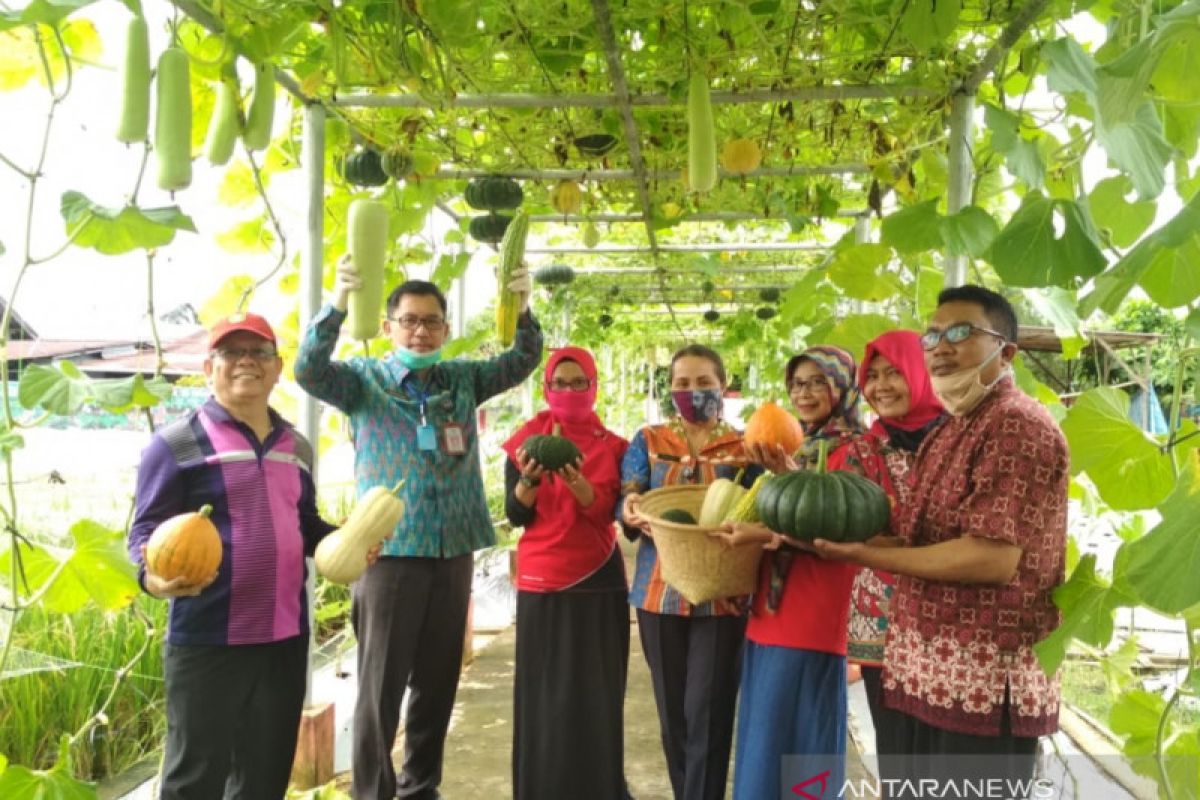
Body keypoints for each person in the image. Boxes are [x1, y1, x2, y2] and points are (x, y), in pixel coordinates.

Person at [294, 258, 542, 800]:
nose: (421, 331)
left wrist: (523, 309)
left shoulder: (462, 379)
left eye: (431, 321)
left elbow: (522, 360)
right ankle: (373, 793)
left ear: (446, 330)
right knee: (380, 690)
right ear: (388, 328)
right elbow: (308, 370)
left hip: (451, 552)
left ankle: (420, 788)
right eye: (409, 320)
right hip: (386, 556)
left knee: (437, 685)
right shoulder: (363, 384)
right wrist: (336, 305)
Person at [814, 285, 1069, 797]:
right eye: (933, 334)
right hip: (921, 673)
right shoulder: (951, 430)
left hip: (980, 684)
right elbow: (916, 539)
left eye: (961, 332)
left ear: (1007, 351)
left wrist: (862, 553)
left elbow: (992, 557)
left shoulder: (1016, 425)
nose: (941, 345)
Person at [128, 312, 337, 800]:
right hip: (207, 639)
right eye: (231, 353)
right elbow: (145, 530)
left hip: (283, 639)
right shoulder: (176, 443)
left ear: (278, 366)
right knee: (194, 779)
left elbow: (305, 523)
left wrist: (345, 541)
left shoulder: (296, 446)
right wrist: (151, 577)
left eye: (259, 352)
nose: (246, 361)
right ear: (209, 368)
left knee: (263, 779)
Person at [713, 345, 866, 800]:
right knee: (765, 733)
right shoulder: (795, 446)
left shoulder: (856, 451)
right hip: (770, 606)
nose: (805, 393)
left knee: (799, 736)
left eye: (818, 382)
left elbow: (837, 536)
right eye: (797, 384)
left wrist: (788, 488)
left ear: (842, 387)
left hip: (815, 608)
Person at [619, 344, 761, 800]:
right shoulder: (648, 438)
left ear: (723, 387)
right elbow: (628, 495)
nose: (692, 392)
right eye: (682, 383)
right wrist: (630, 508)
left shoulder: (746, 445)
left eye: (703, 383)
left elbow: (766, 508)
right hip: (658, 592)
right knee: (673, 717)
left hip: (724, 595)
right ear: (669, 388)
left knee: (709, 713)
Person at [502, 346, 631, 800]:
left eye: (581, 383)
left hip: (597, 578)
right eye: (562, 382)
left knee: (596, 694)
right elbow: (516, 515)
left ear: (594, 386)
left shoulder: (614, 446)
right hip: (541, 579)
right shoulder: (525, 441)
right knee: (544, 696)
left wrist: (578, 482)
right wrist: (529, 481)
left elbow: (605, 517)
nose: (571, 391)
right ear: (547, 387)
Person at [846, 331, 945, 757]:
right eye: (872, 375)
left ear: (921, 373)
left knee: (946, 754)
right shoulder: (861, 450)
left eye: (894, 373)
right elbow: (853, 524)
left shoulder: (959, 440)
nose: (880, 386)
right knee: (897, 751)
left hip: (950, 619)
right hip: (879, 620)